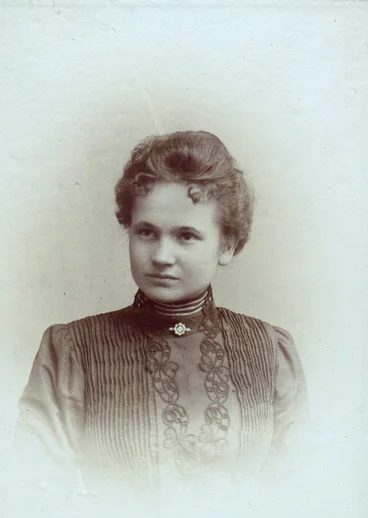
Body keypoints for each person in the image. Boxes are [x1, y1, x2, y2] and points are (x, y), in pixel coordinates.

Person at [16, 130, 308, 493]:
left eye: (186, 235)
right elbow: (33, 494)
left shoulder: (271, 350)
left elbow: (297, 495)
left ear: (227, 245)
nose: (160, 256)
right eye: (147, 233)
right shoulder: (71, 350)